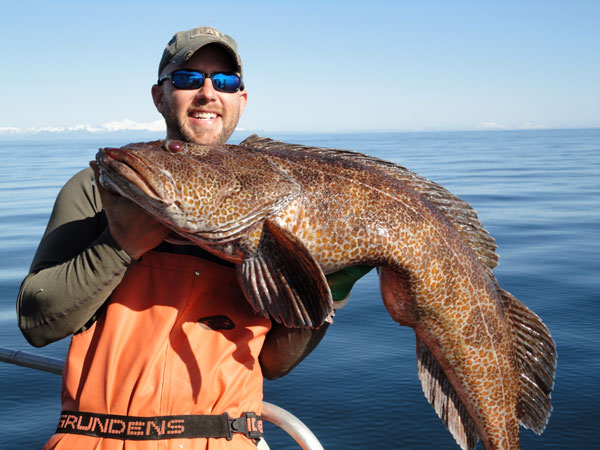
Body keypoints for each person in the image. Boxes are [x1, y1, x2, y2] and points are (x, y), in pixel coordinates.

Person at [17, 26, 370, 449]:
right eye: (187, 79)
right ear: (159, 95)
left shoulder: (275, 206)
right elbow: (36, 323)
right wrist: (120, 245)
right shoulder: (98, 190)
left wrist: (332, 290)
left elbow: (274, 362)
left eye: (224, 81)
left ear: (241, 99)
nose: (207, 92)